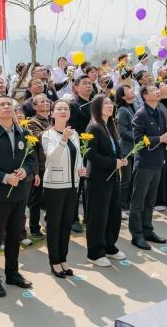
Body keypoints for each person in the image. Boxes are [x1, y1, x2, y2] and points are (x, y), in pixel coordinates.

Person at [0, 95, 36, 297]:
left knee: (14, 236)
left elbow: (31, 159)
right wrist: (5, 177)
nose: (6, 107)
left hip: (20, 194)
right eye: (2, 104)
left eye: (9, 104)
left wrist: (25, 171)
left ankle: (12, 273)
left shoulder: (24, 133)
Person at [41, 100, 86, 278]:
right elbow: (52, 158)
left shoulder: (74, 134)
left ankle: (63, 259)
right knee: (54, 225)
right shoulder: (48, 135)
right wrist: (63, 139)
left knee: (67, 223)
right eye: (59, 109)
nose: (62, 111)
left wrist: (81, 168)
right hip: (55, 185)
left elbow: (78, 155)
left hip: (73, 184)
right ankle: (54, 261)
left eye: (65, 109)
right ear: (52, 113)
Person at [129, 84, 167, 249]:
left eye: (157, 89)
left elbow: (162, 135)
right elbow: (138, 140)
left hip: (157, 162)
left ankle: (147, 230)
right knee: (138, 201)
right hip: (144, 163)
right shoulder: (141, 113)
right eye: (153, 90)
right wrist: (160, 139)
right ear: (144, 96)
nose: (157, 91)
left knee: (150, 201)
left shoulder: (160, 112)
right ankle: (137, 234)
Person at [84, 95, 128, 267]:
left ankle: (110, 246)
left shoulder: (110, 126)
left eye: (111, 103)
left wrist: (121, 159)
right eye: (106, 103)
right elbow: (91, 155)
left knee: (113, 214)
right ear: (97, 107)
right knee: (98, 216)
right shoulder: (93, 127)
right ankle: (95, 253)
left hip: (112, 177)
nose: (110, 105)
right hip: (98, 179)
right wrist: (113, 163)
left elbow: (115, 150)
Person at [67, 75, 94, 232]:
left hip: (93, 148)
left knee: (90, 185)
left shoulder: (94, 104)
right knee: (77, 185)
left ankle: (89, 216)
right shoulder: (73, 105)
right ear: (76, 88)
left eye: (90, 83)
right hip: (78, 148)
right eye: (85, 83)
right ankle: (73, 218)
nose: (89, 86)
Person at [24, 94, 50, 240]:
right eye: (42, 101)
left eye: (47, 100)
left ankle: (49, 221)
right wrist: (54, 127)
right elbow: (36, 139)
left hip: (53, 164)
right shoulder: (31, 122)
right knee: (36, 199)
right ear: (34, 107)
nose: (46, 103)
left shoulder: (52, 119)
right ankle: (34, 227)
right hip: (39, 165)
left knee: (52, 196)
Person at [115, 84, 137, 213]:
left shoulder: (134, 107)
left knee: (133, 179)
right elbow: (122, 132)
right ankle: (122, 206)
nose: (131, 90)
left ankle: (129, 204)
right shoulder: (122, 110)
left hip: (135, 149)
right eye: (128, 90)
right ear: (123, 96)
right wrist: (139, 137)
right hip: (126, 150)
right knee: (126, 180)